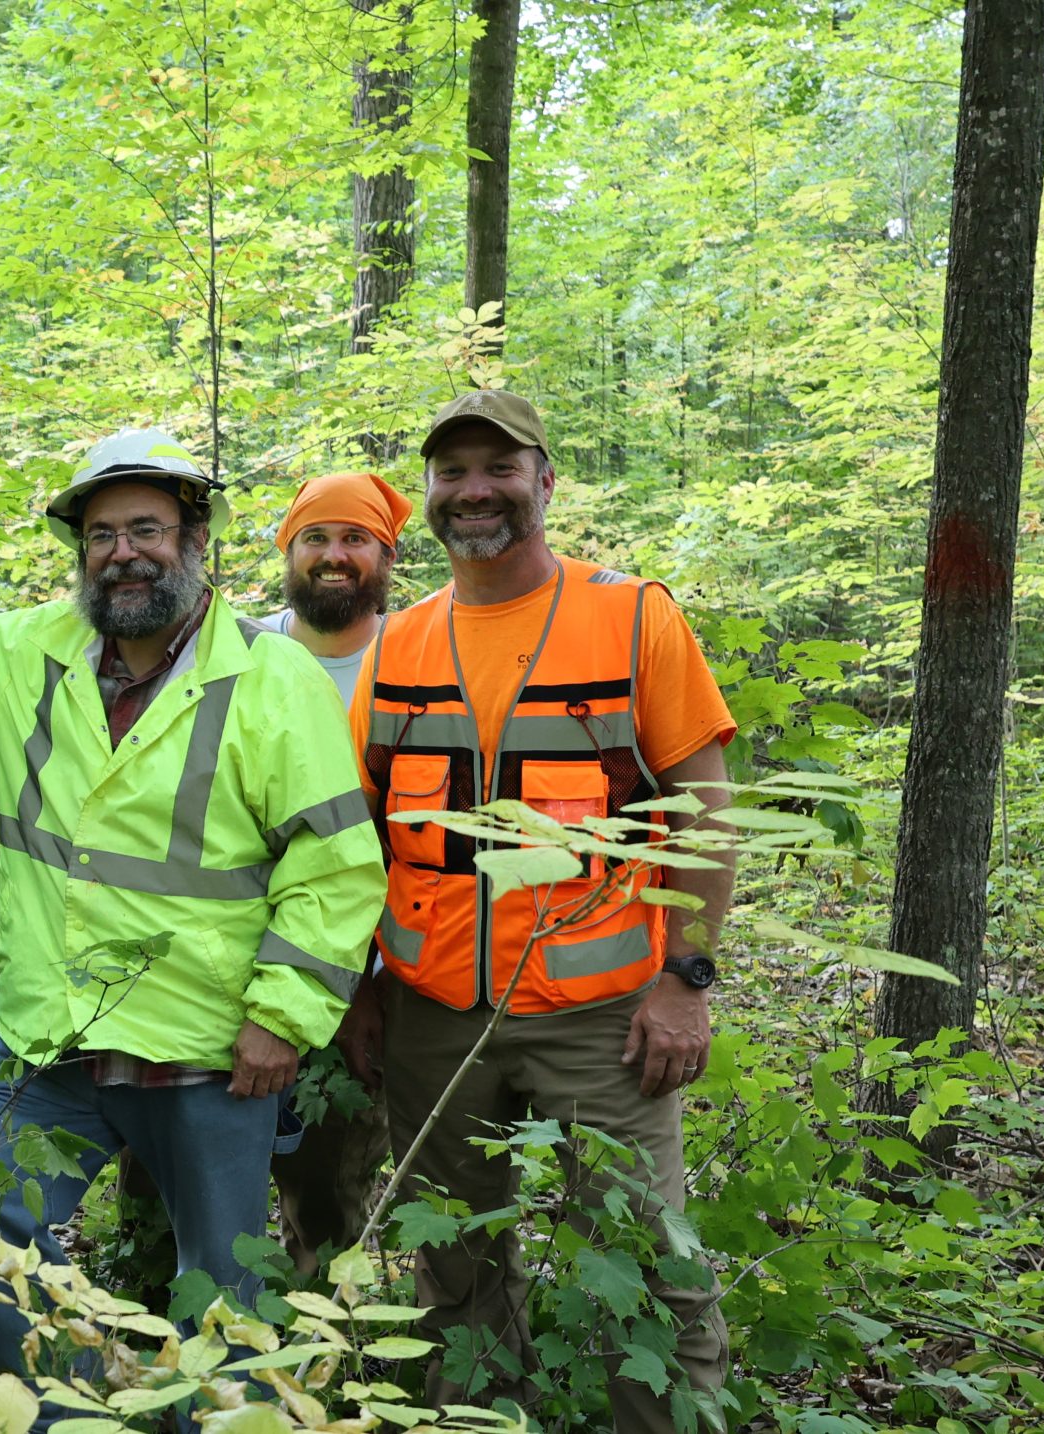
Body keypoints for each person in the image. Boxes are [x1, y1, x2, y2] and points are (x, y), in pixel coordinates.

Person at [0, 412, 385, 1371]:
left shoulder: (271, 679)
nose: (125, 555)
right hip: (53, 1039)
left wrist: (283, 1017)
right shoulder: (33, 653)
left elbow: (335, 866)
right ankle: (71, 1408)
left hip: (208, 1052)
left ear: (194, 540)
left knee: (222, 1299)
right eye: (103, 535)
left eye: (147, 530)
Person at [345, 390, 734, 1431]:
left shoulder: (630, 615)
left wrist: (684, 979)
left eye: (499, 467)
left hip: (603, 1017)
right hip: (431, 1015)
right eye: (452, 471)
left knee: (648, 1265)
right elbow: (357, 842)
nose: (474, 490)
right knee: (453, 1275)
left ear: (545, 483)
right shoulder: (397, 645)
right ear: (428, 493)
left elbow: (706, 807)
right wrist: (357, 994)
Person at [260, 470, 414, 1278]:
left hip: (371, 981)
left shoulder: (422, 656)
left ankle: (324, 1364)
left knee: (324, 1197)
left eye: (355, 538)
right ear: (289, 550)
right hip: (222, 969)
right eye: (315, 537)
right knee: (170, 1192)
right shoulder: (236, 653)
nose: (333, 555)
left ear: (386, 555)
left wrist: (373, 985)